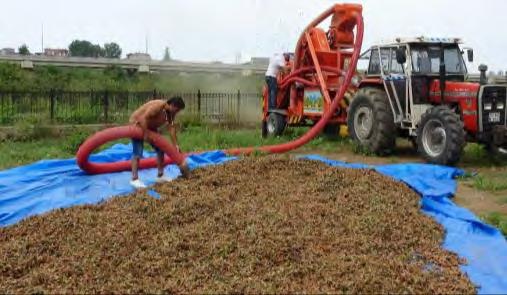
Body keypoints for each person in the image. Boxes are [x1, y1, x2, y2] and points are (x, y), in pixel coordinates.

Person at [129, 96, 188, 189]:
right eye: (177, 110)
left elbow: (171, 128)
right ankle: (134, 179)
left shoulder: (170, 113)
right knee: (138, 151)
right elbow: (143, 118)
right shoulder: (158, 106)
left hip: (150, 127)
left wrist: (175, 145)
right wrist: (146, 135)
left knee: (161, 149)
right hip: (137, 124)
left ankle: (160, 175)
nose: (177, 113)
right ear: (172, 105)